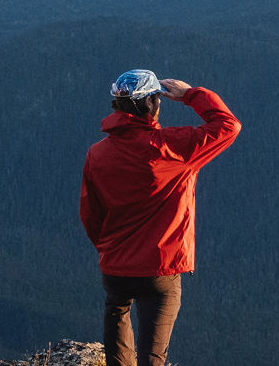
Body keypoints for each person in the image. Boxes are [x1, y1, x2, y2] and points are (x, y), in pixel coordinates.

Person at [82, 69, 241, 366]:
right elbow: (228, 126)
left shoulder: (97, 154)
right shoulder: (173, 147)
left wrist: (107, 250)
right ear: (151, 103)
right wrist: (190, 95)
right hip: (160, 269)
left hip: (115, 267)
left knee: (117, 312)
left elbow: (90, 213)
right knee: (152, 355)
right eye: (157, 98)